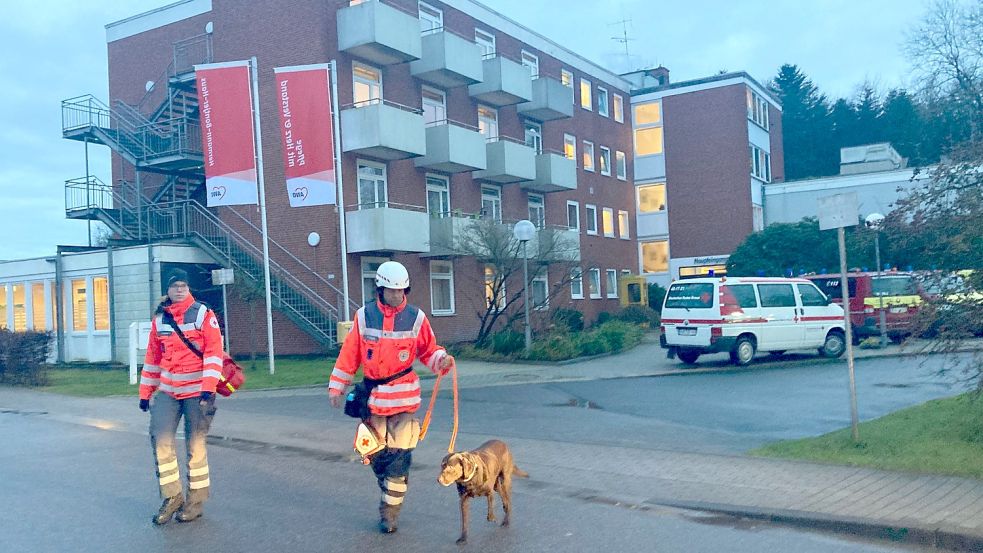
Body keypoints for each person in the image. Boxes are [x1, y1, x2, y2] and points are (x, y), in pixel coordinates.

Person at [328, 261, 455, 534]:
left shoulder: (416, 318)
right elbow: (349, 355)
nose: (397, 296)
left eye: (401, 291)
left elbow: (428, 350)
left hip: (404, 400)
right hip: (373, 401)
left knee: (398, 458)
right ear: (380, 289)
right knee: (374, 455)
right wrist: (337, 386)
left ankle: (390, 513)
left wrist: (441, 359)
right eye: (391, 291)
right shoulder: (363, 317)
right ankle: (389, 488)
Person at [138, 268, 224, 525]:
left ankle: (195, 501)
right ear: (167, 289)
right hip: (168, 391)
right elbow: (153, 359)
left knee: (194, 446)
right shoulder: (160, 320)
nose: (179, 289)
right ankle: (172, 496)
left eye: (183, 285)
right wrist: (146, 393)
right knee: (160, 439)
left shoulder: (202, 314)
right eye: (175, 285)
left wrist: (209, 387)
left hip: (198, 391)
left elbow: (213, 352)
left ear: (189, 288)